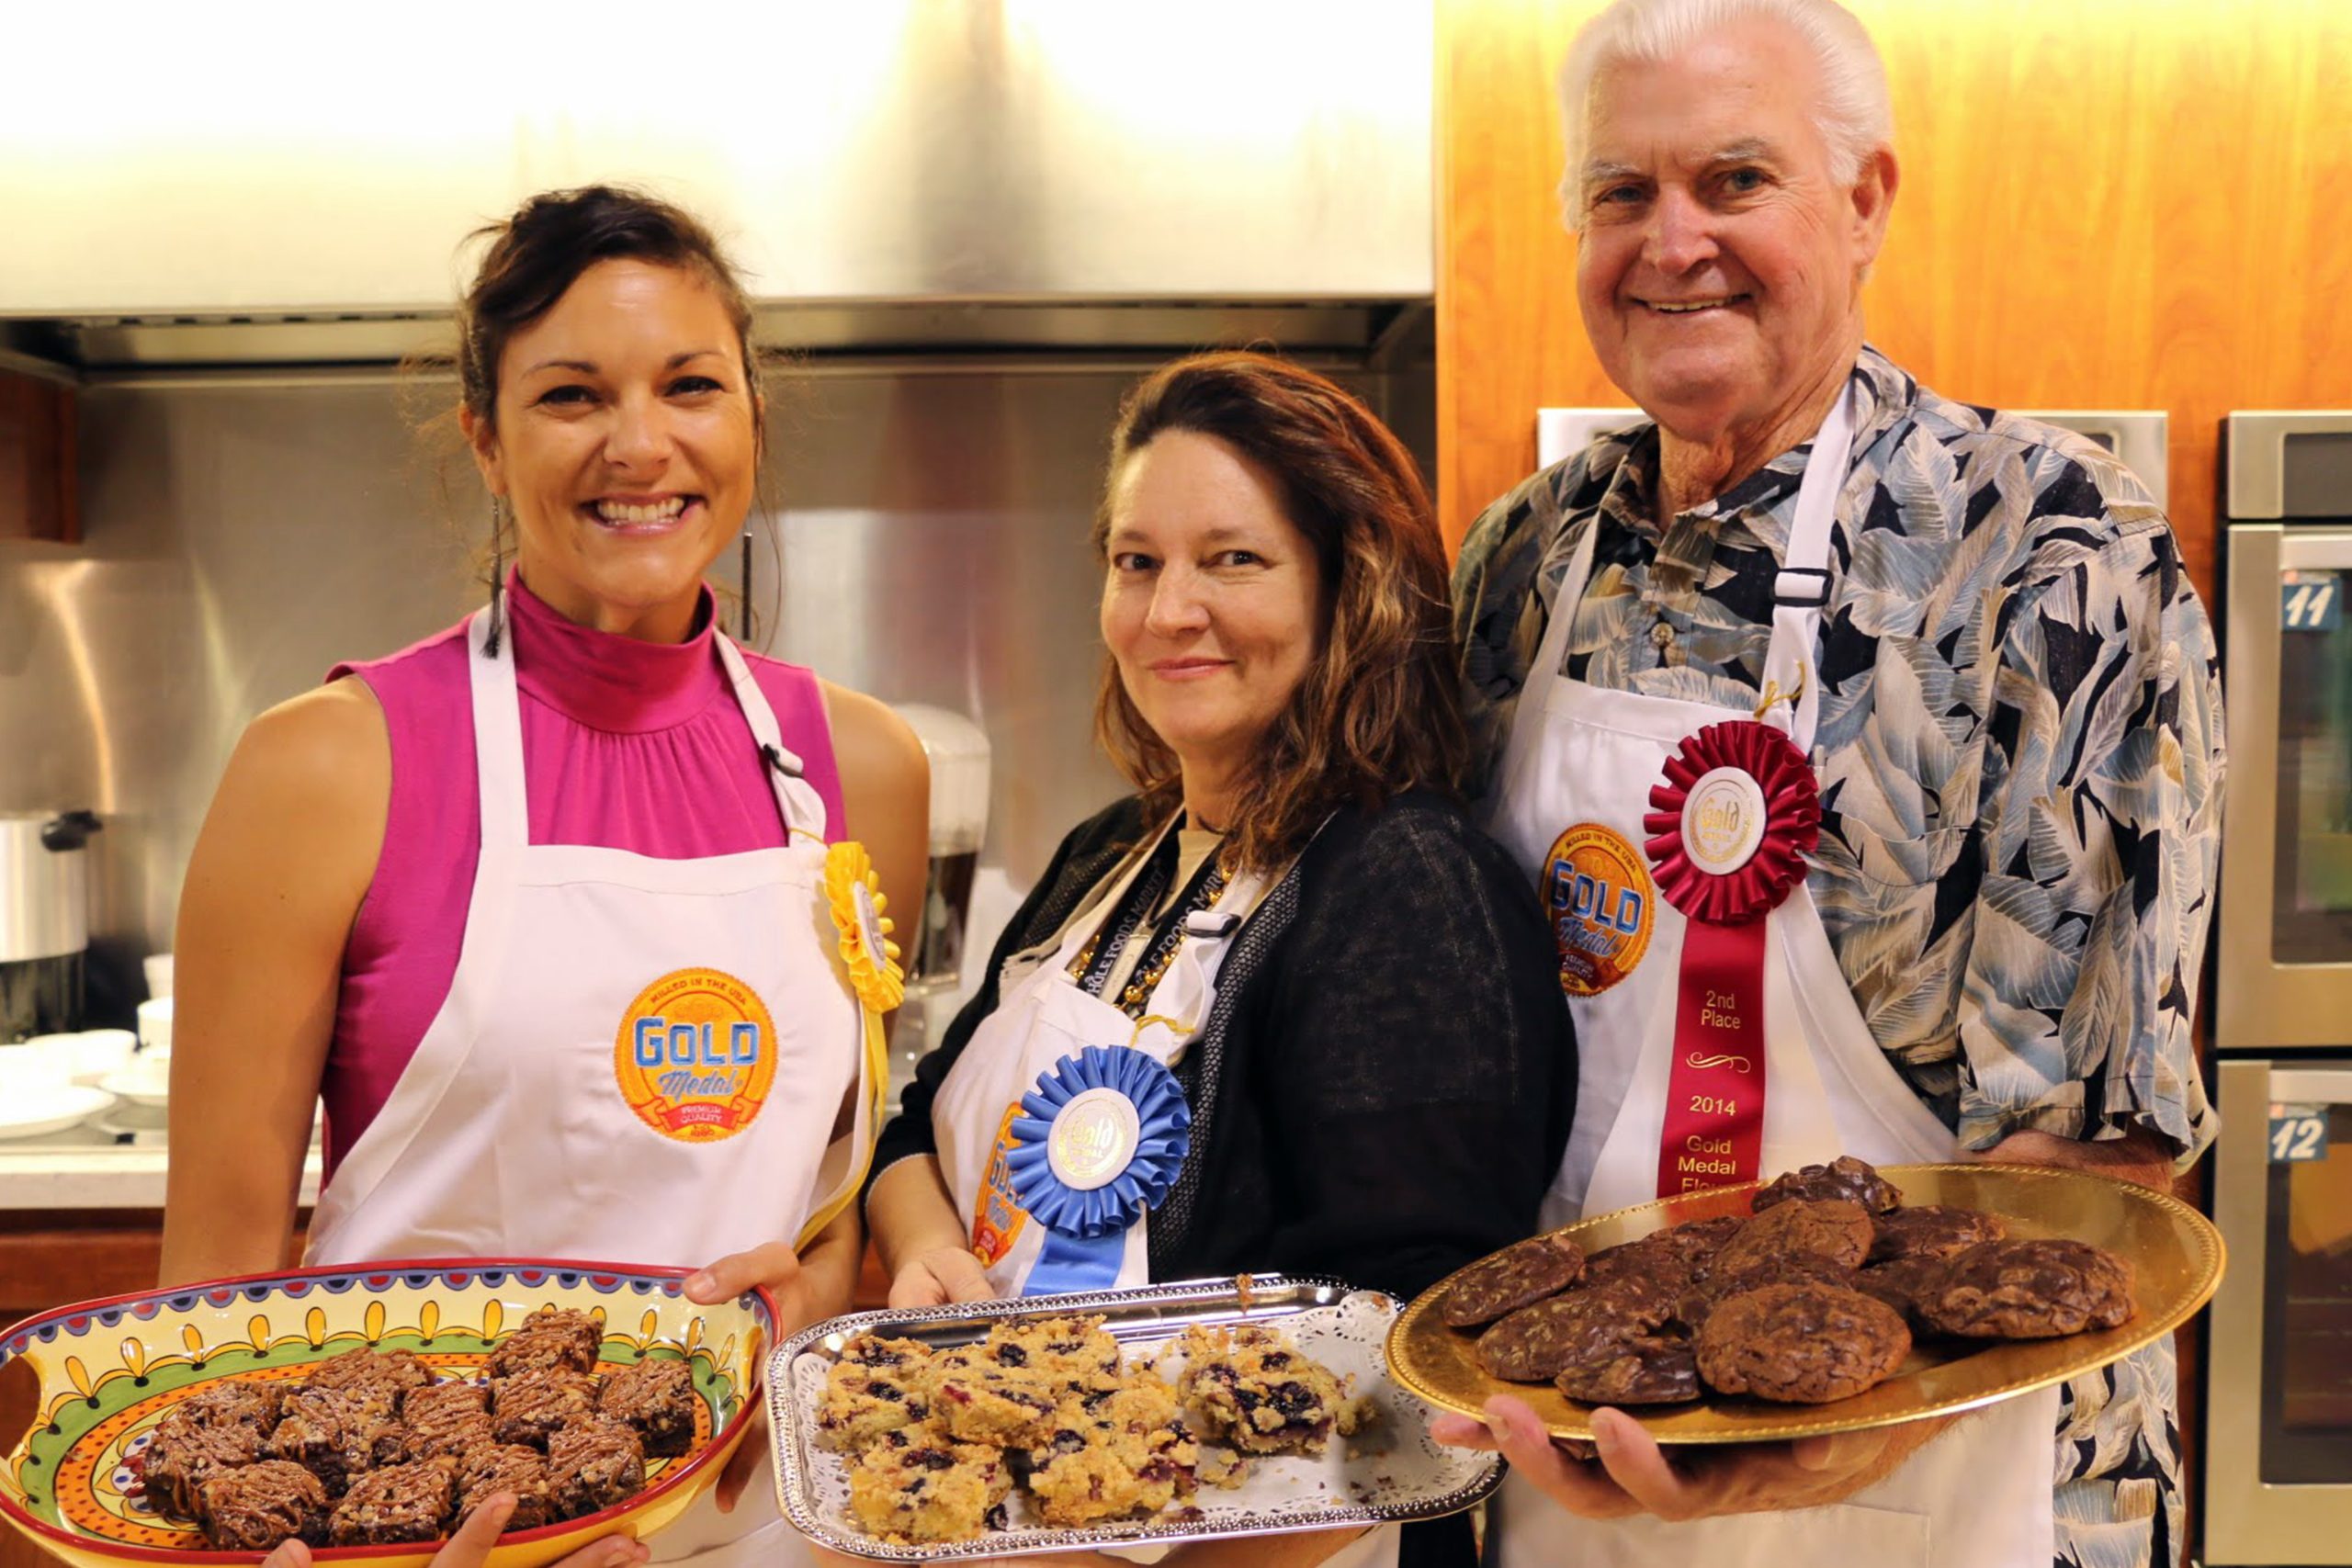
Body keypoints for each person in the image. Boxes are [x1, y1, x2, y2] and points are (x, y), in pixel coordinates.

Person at [1437, 3, 2222, 1566]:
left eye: (1735, 181)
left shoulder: (2047, 553)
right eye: (1619, 193)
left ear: (1864, 202)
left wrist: (1811, 1443)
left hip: (1951, 1476)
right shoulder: (1520, 562)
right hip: (1591, 1463)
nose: (1673, 244)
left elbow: (2106, 1154)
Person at [160, 186, 930, 1567]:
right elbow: (206, 1311)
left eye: (690, 385)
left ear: (749, 410)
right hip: (416, 1547)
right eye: (573, 396)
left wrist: (804, 1298)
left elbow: (830, 1193)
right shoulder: (327, 768)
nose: (643, 446)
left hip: (757, 1527)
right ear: (485, 439)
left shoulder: (863, 768)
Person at [845, 352, 1574, 1568]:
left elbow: (1426, 1368)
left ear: (1351, 586)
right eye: (1138, 563)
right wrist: (928, 1250)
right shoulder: (1108, 855)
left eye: (1232, 559)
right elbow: (913, 1124)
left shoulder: (1405, 884)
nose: (1169, 609)